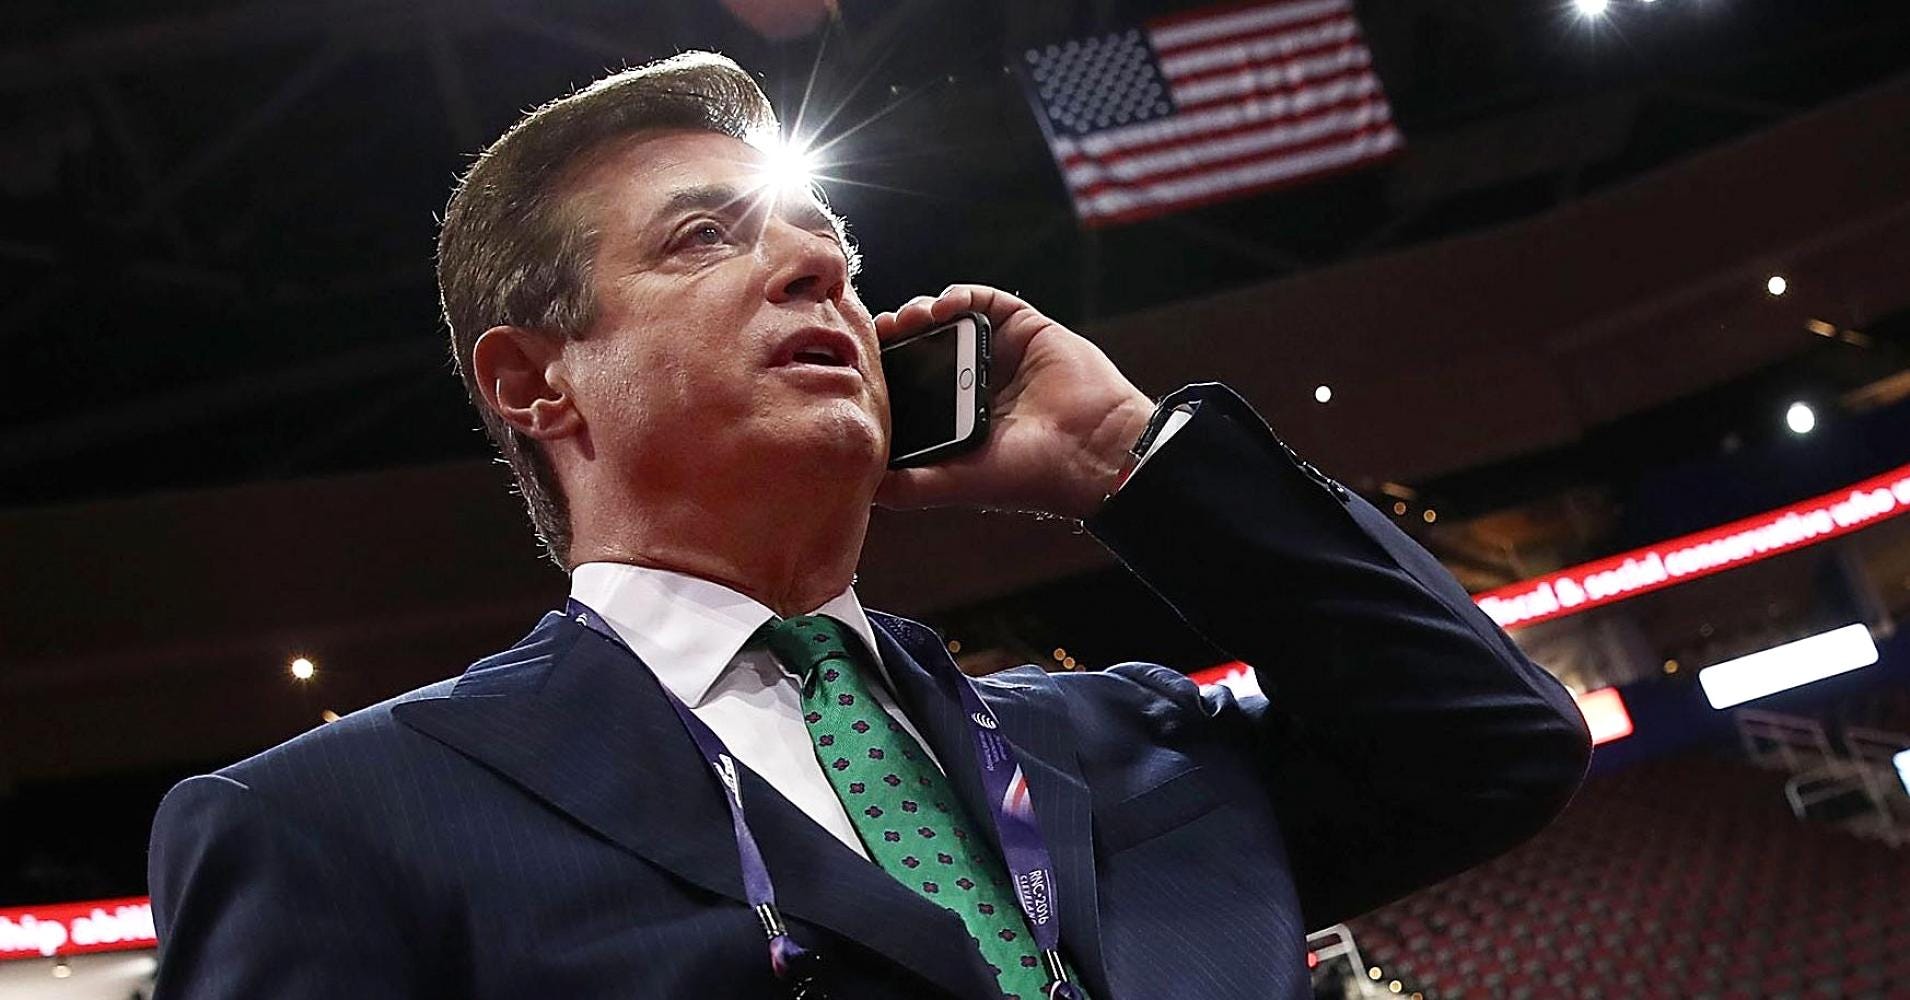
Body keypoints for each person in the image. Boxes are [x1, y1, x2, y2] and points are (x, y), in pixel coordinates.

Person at [147, 51, 1590, 1000]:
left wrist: (1124, 460)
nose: (819, 266)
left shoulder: (1128, 743)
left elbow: (1490, 745)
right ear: (535, 381)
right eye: (706, 236)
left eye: (828, 245)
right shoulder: (331, 828)